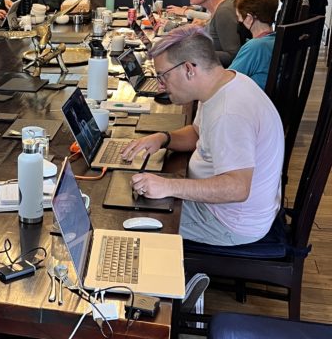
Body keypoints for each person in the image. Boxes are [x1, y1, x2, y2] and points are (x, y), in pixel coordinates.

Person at [121, 26, 283, 246]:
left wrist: (169, 187)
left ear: (189, 68)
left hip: (228, 222)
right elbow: (198, 133)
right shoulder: (223, 84)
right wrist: (162, 138)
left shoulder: (229, 113)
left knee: (126, 218)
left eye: (163, 76)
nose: (160, 85)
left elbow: (237, 188)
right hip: (229, 210)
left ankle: (179, 279)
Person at [228, 0, 278, 90]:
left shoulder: (255, 47)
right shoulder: (276, 40)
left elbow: (228, 81)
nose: (239, 20)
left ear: (249, 18)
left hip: (253, 100)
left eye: (239, 16)